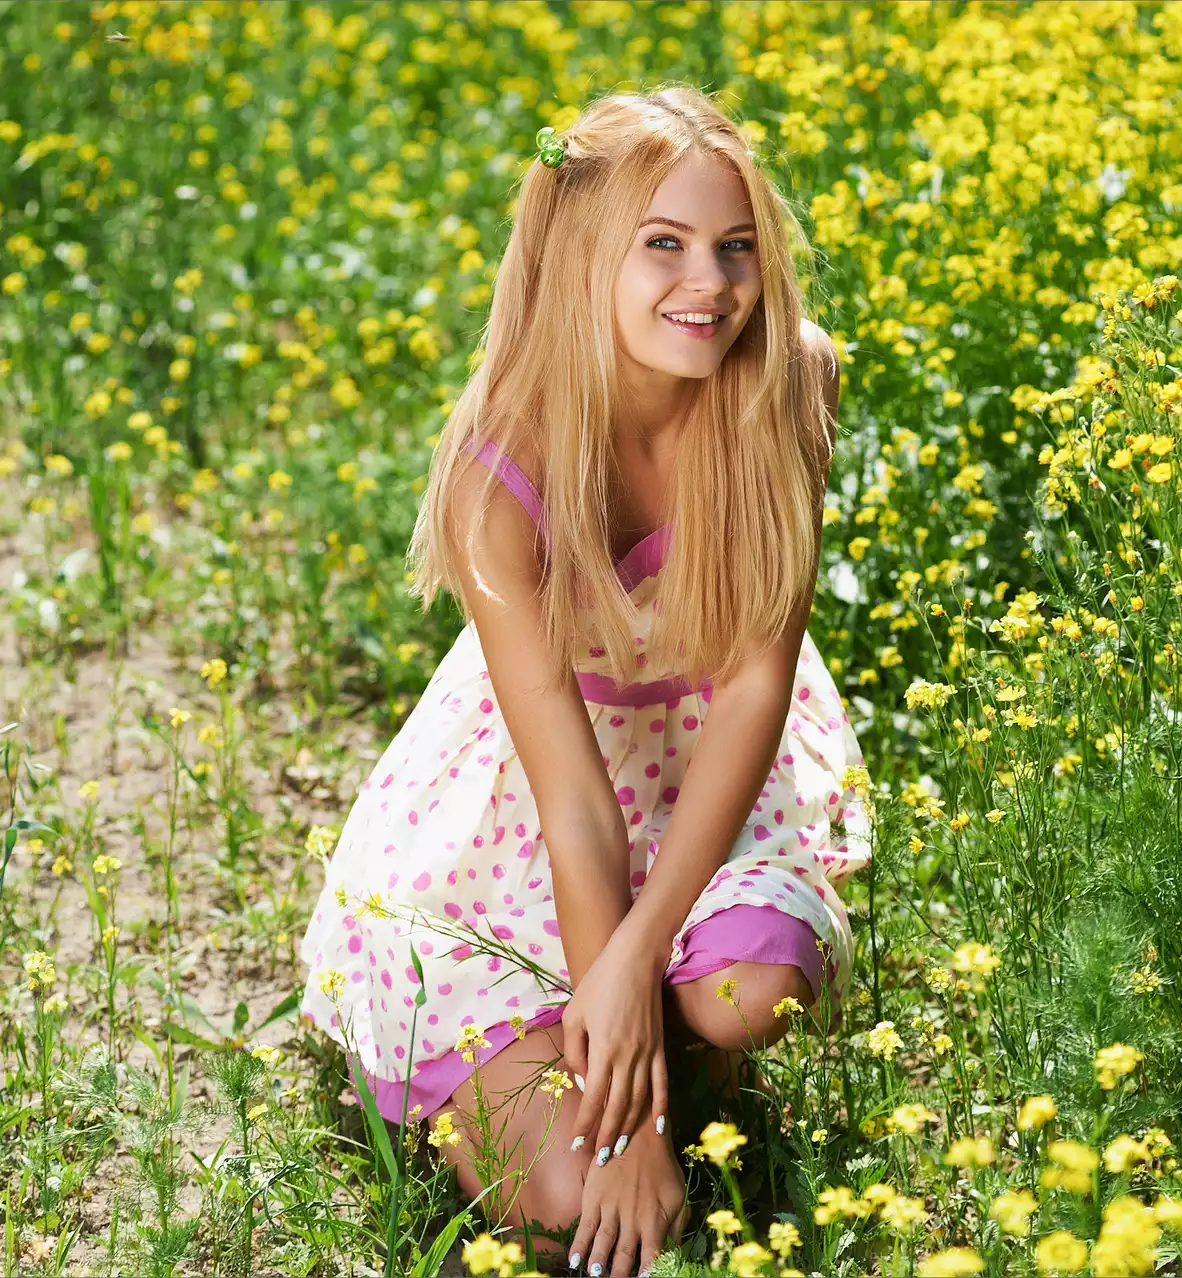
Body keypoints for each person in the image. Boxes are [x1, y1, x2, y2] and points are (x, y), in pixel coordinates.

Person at [298, 84, 872, 1278]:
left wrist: (625, 971)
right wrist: (635, 1131)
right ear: (578, 254)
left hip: (715, 763)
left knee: (748, 997)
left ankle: (650, 1019)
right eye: (660, 245)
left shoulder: (787, 382)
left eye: (734, 247)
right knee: (567, 1205)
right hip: (536, 814)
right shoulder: (499, 470)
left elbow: (760, 688)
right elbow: (571, 803)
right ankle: (571, 1059)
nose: (707, 284)